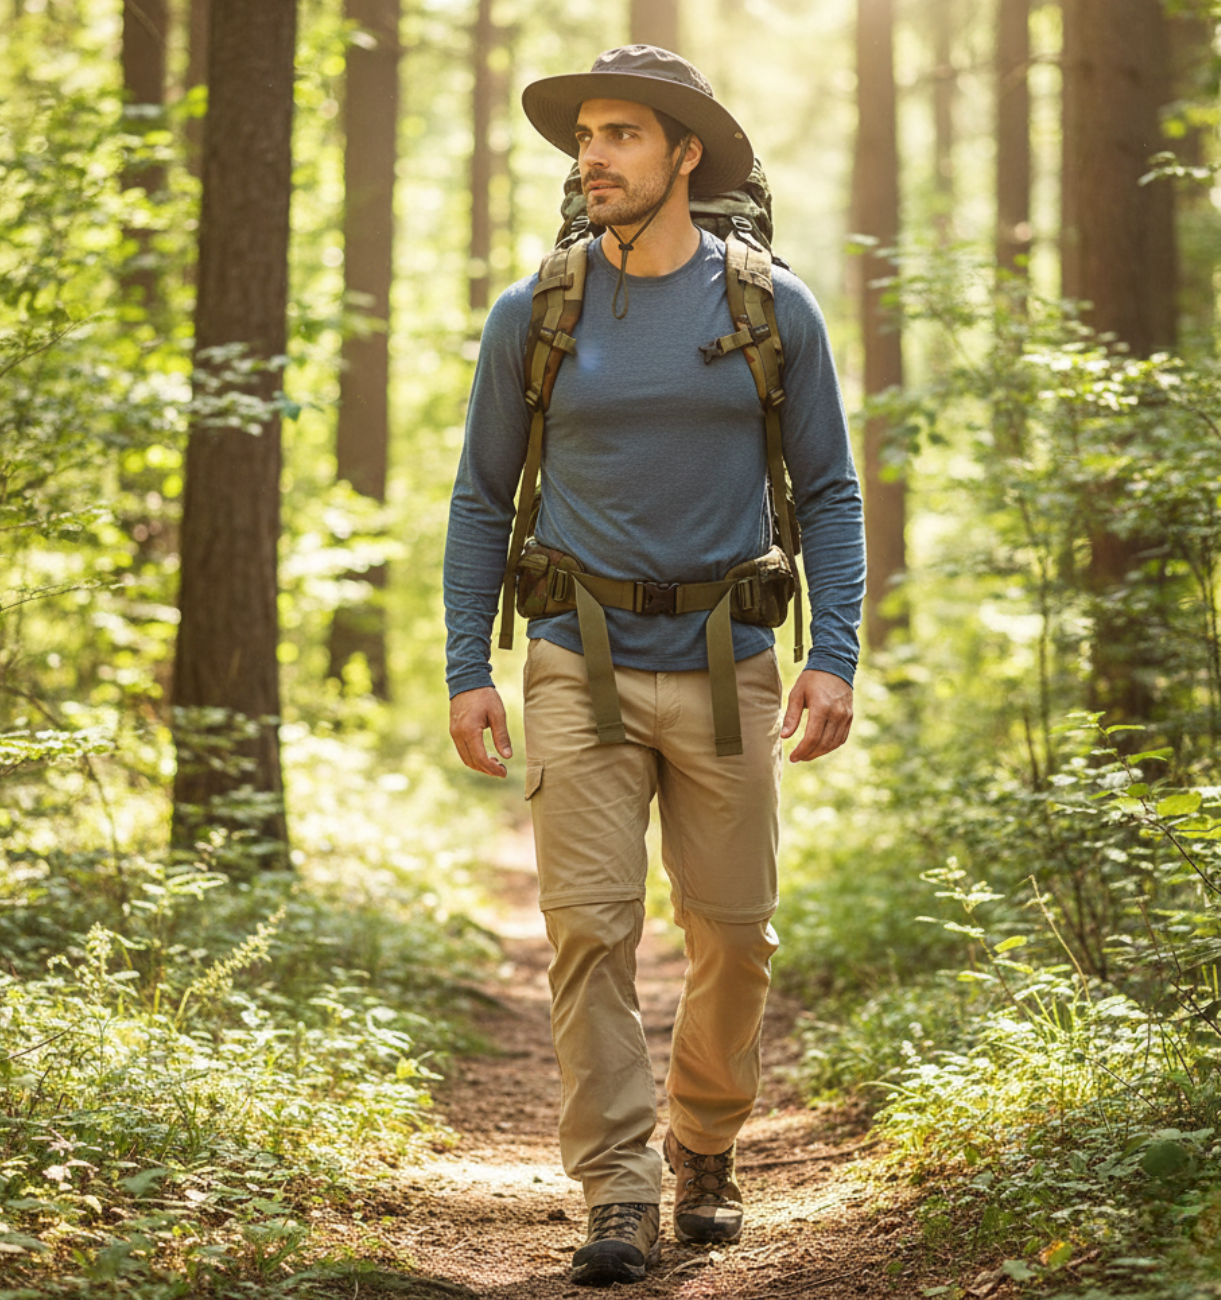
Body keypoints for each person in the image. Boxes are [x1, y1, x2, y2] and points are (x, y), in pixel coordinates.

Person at [444, 44, 865, 1288]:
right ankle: (619, 1189)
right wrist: (470, 665)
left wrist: (829, 653)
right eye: (584, 137)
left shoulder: (770, 308)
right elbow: (479, 502)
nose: (593, 157)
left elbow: (831, 494)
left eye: (622, 133)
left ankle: (706, 1142)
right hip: (576, 659)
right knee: (588, 931)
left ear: (685, 153)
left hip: (731, 661)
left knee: (735, 937)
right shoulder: (536, 312)